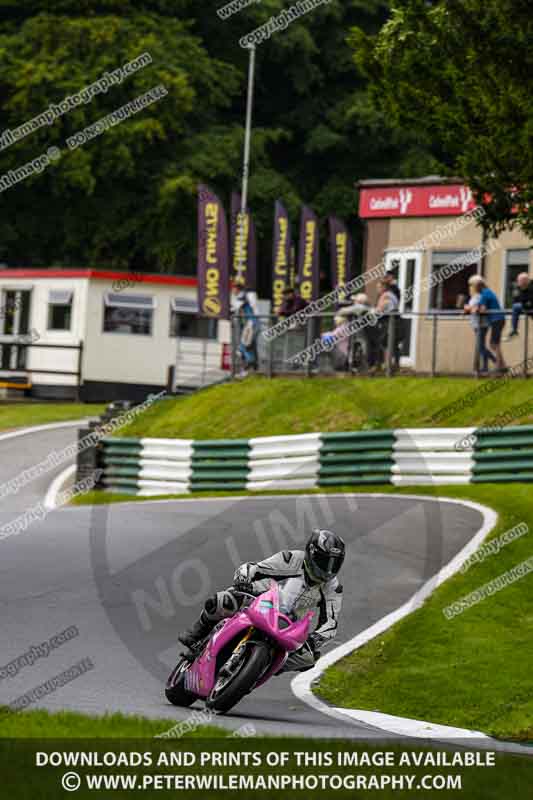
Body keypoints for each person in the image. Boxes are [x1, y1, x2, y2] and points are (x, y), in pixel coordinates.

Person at [178, 529, 345, 674]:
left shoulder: (333, 587)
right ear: (312, 552)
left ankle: (261, 669)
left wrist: (313, 639)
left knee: (309, 658)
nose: (329, 569)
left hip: (287, 625)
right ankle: (197, 633)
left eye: (334, 564)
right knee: (224, 600)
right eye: (325, 561)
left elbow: (330, 624)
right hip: (259, 602)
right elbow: (255, 568)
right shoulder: (291, 559)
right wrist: (244, 580)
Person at [467, 275, 507, 375]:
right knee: (494, 344)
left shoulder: (485, 293)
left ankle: (500, 366)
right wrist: (475, 308)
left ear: (478, 286)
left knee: (494, 344)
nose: (472, 288)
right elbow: (478, 307)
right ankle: (502, 365)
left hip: (497, 319)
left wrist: (472, 309)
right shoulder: (487, 292)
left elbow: (481, 309)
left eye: (473, 285)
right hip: (497, 320)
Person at [464, 284, 495, 375]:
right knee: (481, 345)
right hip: (476, 324)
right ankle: (485, 367)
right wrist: (467, 309)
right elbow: (470, 309)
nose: (470, 288)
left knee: (480, 346)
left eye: (471, 286)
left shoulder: (479, 296)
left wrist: (468, 308)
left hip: (482, 324)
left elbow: (476, 308)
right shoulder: (473, 297)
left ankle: (494, 360)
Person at [505, 272, 533, 340]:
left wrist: (524, 302)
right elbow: (515, 300)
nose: (518, 283)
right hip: (527, 307)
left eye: (519, 281)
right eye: (518, 281)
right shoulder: (518, 288)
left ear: (525, 281)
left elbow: (529, 300)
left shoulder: (531, 286)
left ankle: (514, 330)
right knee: (516, 306)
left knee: (517, 306)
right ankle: (514, 330)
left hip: (530, 306)